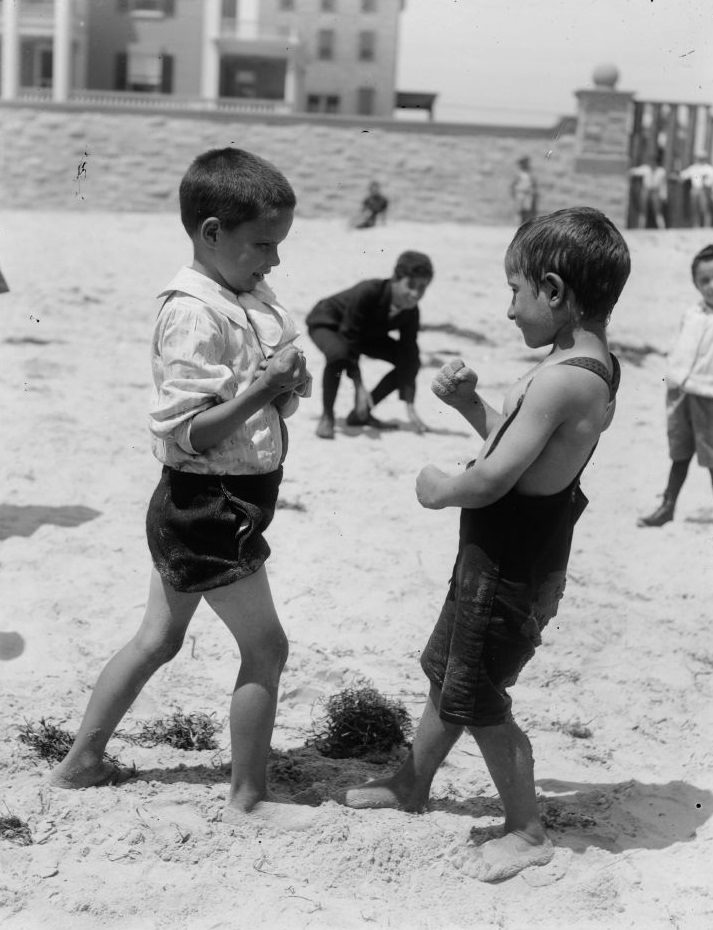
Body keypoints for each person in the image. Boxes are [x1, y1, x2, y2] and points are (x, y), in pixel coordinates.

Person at [344, 207, 630, 883]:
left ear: (554, 292)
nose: (508, 312)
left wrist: (437, 487)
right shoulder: (586, 366)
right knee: (447, 671)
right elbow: (523, 447)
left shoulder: (563, 378)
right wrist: (472, 406)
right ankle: (412, 782)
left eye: (515, 292)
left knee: (476, 696)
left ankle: (526, 830)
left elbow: (497, 475)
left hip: (508, 566)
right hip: (504, 556)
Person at [49, 148, 312, 823]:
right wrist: (265, 390)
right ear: (212, 232)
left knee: (157, 640)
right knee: (266, 647)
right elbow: (187, 431)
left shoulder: (242, 297)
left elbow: (251, 404)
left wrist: (283, 388)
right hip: (209, 506)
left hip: (205, 501)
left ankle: (82, 760)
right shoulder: (191, 313)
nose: (274, 260)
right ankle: (249, 795)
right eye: (262, 244)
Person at [306, 251, 434, 438]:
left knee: (411, 361)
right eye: (411, 285)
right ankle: (327, 416)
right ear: (396, 279)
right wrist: (359, 386)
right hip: (328, 322)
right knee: (339, 354)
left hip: (363, 334)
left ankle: (362, 412)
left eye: (422, 287)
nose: (415, 294)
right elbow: (349, 336)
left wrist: (409, 404)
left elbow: (409, 351)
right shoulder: (369, 290)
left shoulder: (411, 311)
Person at [638, 244, 713, 527]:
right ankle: (667, 506)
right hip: (681, 392)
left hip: (709, 396)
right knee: (680, 451)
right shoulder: (692, 313)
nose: (710, 286)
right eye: (704, 280)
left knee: (711, 456)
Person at [629, 155, 668, 229]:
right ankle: (641, 228)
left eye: (654, 162)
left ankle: (662, 228)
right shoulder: (645, 169)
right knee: (643, 211)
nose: (652, 164)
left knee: (658, 211)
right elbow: (635, 171)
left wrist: (664, 195)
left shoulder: (661, 171)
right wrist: (630, 171)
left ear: (657, 163)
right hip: (646, 191)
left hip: (655, 192)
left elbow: (663, 185)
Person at [679, 153, 713, 228]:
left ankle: (706, 226)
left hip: (704, 190)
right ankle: (696, 225)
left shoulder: (708, 168)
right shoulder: (693, 168)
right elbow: (683, 175)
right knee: (694, 208)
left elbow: (710, 180)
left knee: (705, 208)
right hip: (694, 190)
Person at [510, 156, 538, 225]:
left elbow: (533, 183)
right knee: (519, 210)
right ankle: (518, 224)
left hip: (528, 193)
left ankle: (526, 224)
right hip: (520, 193)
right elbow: (514, 184)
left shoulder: (530, 173)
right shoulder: (518, 173)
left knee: (527, 210)